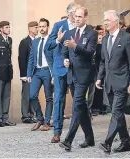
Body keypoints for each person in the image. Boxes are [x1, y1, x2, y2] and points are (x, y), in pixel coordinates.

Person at [96, 10, 130, 154]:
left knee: (116, 112)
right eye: (104, 20)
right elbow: (103, 61)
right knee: (118, 114)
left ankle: (107, 142)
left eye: (108, 20)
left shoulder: (126, 38)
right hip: (109, 82)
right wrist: (99, 77)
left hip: (122, 82)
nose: (105, 22)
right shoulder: (106, 39)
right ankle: (126, 143)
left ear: (116, 21)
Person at [59, 7, 98, 152]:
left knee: (76, 106)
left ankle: (68, 140)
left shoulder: (91, 33)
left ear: (85, 18)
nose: (77, 19)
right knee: (81, 106)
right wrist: (65, 60)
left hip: (84, 75)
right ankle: (90, 138)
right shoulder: (69, 33)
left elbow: (89, 52)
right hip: (72, 75)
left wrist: (75, 46)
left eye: (80, 17)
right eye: (75, 17)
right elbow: (64, 52)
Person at [45, 2, 79, 143]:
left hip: (76, 68)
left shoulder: (80, 27)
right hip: (60, 69)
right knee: (59, 99)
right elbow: (48, 46)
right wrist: (58, 40)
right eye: (76, 14)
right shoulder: (59, 25)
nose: (78, 17)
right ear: (70, 14)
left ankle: (78, 131)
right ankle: (57, 132)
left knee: (78, 100)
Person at [27, 18, 53, 131]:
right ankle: (40, 118)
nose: (41, 29)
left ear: (48, 27)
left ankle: (47, 122)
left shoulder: (52, 40)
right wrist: (28, 74)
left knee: (48, 98)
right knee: (32, 95)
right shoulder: (35, 41)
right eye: (40, 27)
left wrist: (54, 74)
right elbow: (31, 59)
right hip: (36, 72)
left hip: (48, 71)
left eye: (43, 26)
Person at [0, 21, 16, 127]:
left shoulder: (9, 40)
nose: (8, 29)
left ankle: (5, 118)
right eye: (6, 27)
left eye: (9, 27)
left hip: (8, 72)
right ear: (1, 29)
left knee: (6, 96)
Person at [18, 21, 38, 124]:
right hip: (27, 73)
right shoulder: (25, 42)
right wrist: (23, 75)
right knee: (26, 94)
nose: (37, 29)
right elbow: (22, 59)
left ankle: (32, 114)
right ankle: (25, 115)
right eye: (35, 27)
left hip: (36, 73)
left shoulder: (38, 41)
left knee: (33, 94)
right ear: (30, 29)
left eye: (37, 27)